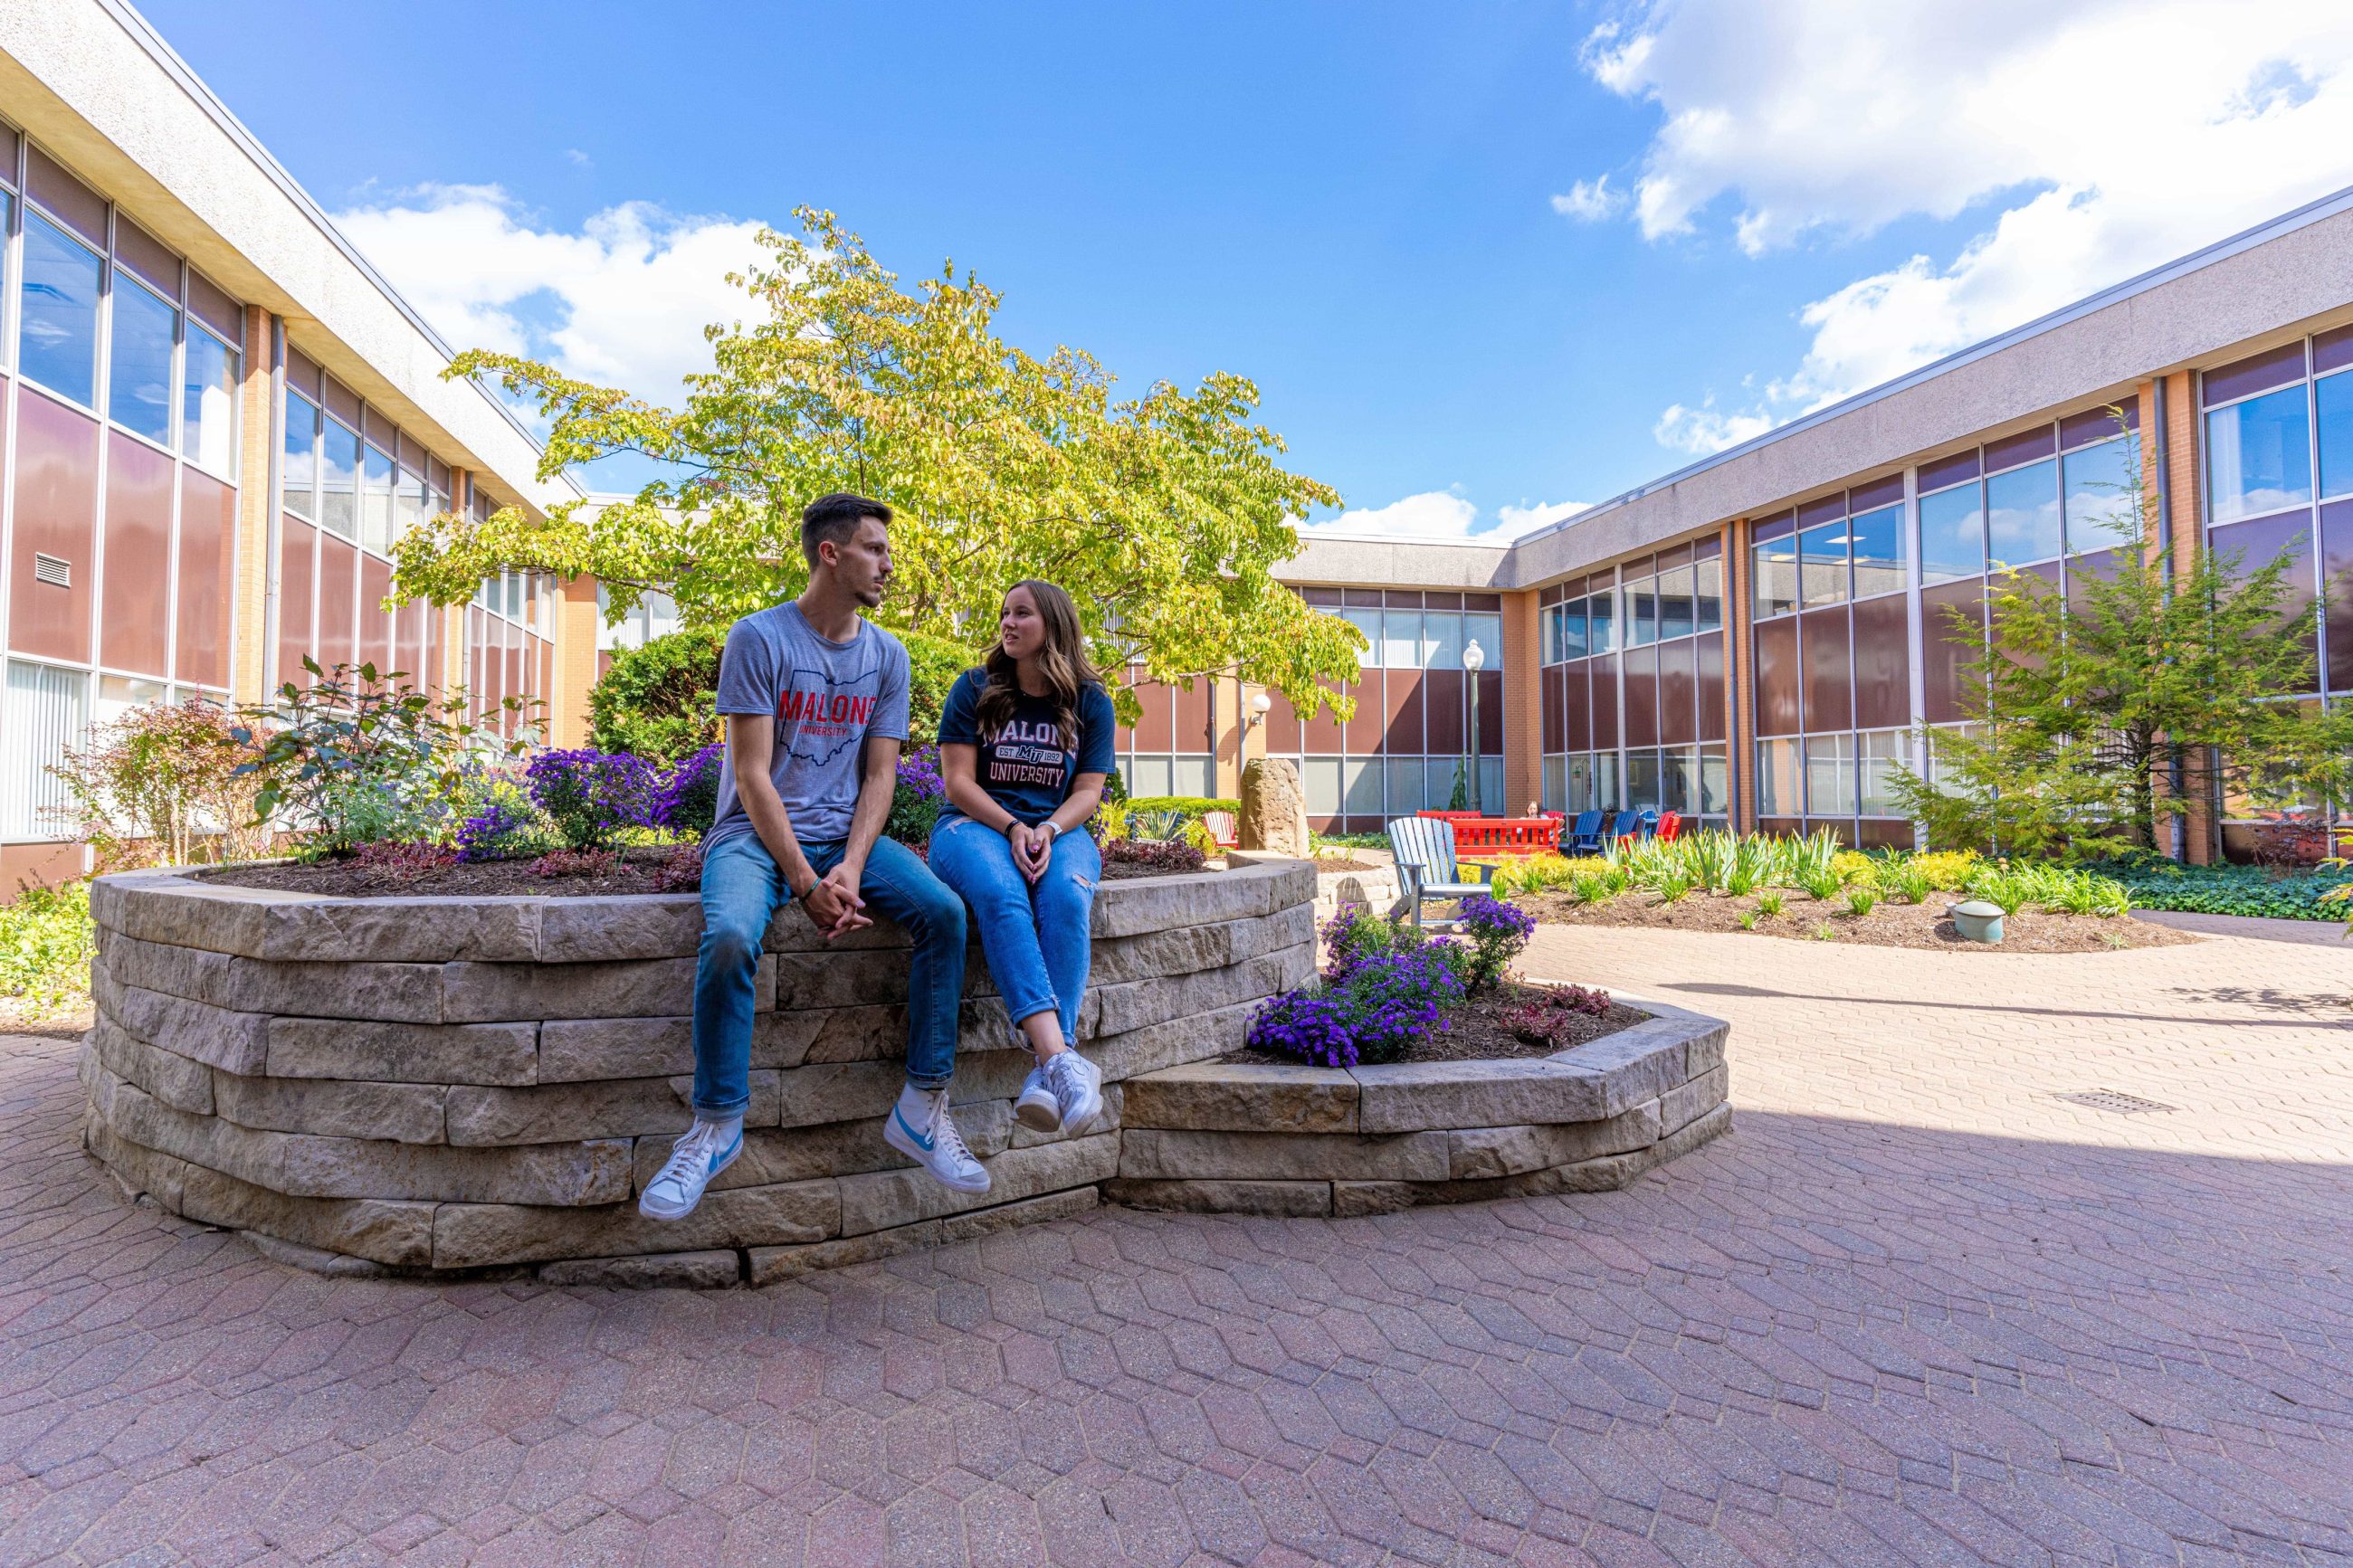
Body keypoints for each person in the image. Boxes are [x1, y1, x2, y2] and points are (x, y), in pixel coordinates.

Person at [640, 492, 987, 1221]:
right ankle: (715, 1126)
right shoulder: (759, 640)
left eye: (887, 551)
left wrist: (852, 868)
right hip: (753, 839)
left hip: (845, 837)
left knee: (945, 914)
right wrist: (804, 879)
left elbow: (880, 775)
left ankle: (924, 1104)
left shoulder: (888, 655)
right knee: (732, 935)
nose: (889, 565)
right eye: (875, 549)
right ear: (831, 553)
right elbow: (751, 774)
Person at [926, 580, 1115, 1136]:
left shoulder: (1089, 699)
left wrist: (1049, 830)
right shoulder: (974, 688)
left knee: (1063, 896)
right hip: (973, 826)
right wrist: (1011, 826)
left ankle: (1044, 1072)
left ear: (1052, 625)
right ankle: (1061, 1061)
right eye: (1005, 613)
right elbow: (958, 782)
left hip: (1059, 827)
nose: (1008, 623)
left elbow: (1088, 792)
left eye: (1022, 614)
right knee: (1003, 894)